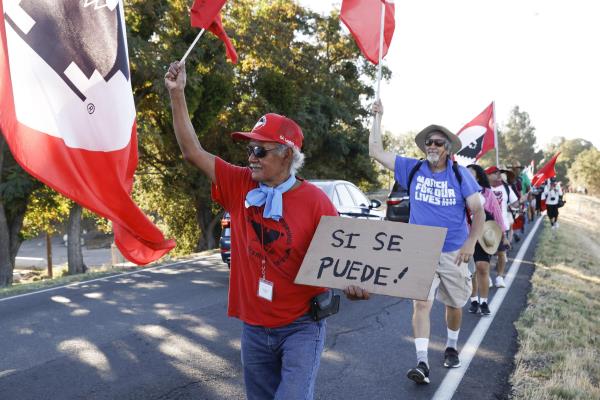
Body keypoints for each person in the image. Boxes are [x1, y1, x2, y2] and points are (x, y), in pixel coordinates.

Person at [164, 61, 366, 400]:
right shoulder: (240, 183)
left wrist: (356, 283)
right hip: (254, 329)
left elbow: (347, 261)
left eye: (260, 150)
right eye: (249, 149)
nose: (251, 158)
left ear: (287, 155)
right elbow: (192, 152)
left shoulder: (316, 202)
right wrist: (177, 93)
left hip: (301, 327)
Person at [368, 100, 485, 384]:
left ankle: (451, 347)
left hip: (454, 251)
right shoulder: (412, 168)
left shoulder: (459, 175)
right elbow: (376, 152)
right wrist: (377, 118)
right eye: (428, 142)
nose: (432, 146)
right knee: (421, 304)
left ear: (447, 149)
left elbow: (479, 211)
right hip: (420, 249)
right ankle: (422, 362)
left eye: (438, 143)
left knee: (454, 305)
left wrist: (471, 243)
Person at [466, 164, 507, 316]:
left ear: (478, 177)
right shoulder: (460, 192)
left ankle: (484, 302)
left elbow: (497, 214)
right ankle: (474, 300)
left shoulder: (487, 193)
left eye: (471, 174)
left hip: (484, 234)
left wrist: (503, 235)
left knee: (482, 267)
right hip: (466, 235)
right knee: (471, 271)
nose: (467, 176)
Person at [485, 166, 521, 288]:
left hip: (502, 226)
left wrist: (520, 201)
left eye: (499, 173)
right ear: (488, 175)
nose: (498, 174)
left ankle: (499, 277)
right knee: (487, 254)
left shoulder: (506, 187)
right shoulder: (483, 188)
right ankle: (487, 277)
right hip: (487, 226)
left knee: (502, 253)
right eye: (495, 173)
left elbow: (515, 203)